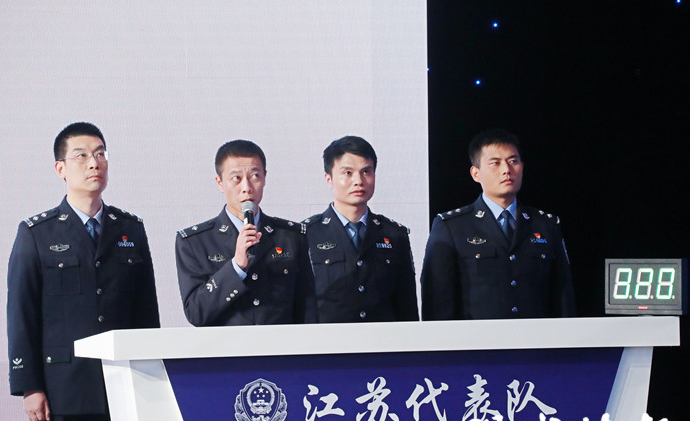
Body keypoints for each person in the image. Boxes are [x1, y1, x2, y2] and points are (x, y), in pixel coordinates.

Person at [6, 122, 160, 421]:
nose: (94, 163)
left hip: (118, 388)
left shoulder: (130, 230)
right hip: (60, 392)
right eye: (82, 156)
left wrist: (149, 380)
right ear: (60, 168)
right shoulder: (37, 233)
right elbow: (21, 313)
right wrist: (29, 386)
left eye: (101, 154)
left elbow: (146, 314)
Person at [421, 128, 576, 320]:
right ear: (476, 173)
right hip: (477, 338)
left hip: (535, 337)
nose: (506, 170)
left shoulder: (546, 225)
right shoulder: (451, 226)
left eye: (513, 161)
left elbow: (563, 297)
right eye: (495, 163)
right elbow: (438, 302)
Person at [175, 139, 316, 326]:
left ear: (264, 178)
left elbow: (308, 310)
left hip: (280, 344)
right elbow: (196, 313)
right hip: (226, 345)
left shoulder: (291, 236)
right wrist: (236, 266)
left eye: (255, 176)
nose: (247, 188)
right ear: (220, 183)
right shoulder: (194, 242)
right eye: (236, 178)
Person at [304, 136, 418, 322]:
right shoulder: (307, 234)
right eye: (348, 173)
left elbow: (406, 306)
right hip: (328, 339)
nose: (358, 180)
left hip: (382, 338)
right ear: (329, 179)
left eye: (366, 171)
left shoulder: (395, 235)